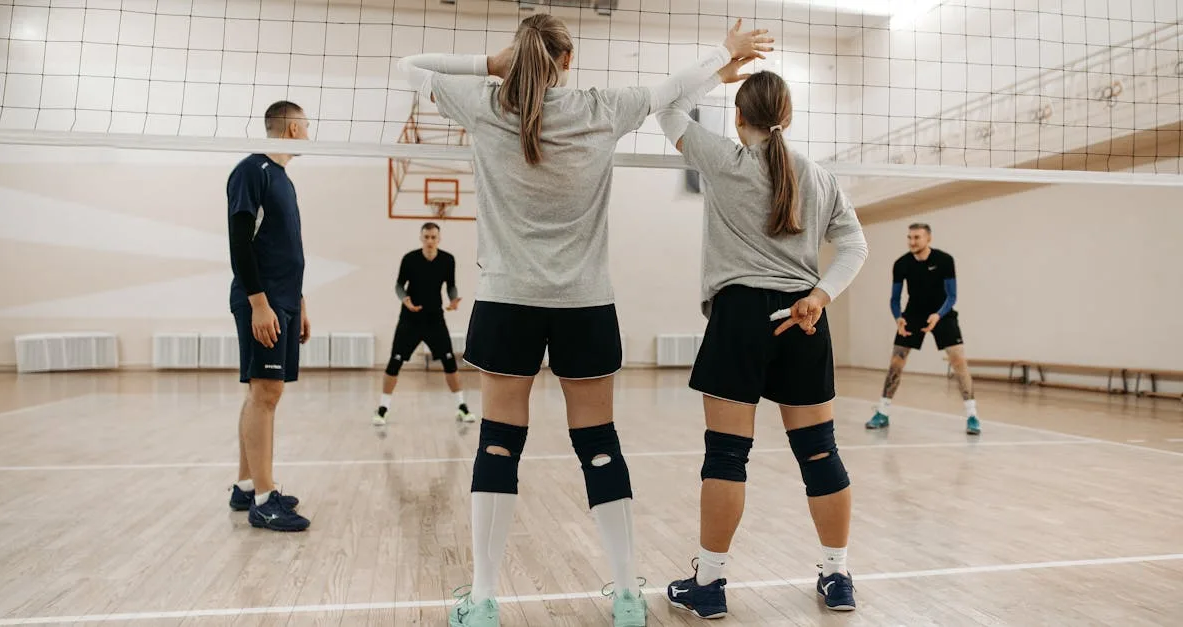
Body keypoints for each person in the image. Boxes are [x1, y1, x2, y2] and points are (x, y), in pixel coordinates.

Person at [398, 14, 772, 627]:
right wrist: (720, 57)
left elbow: (409, 69)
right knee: (599, 444)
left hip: (507, 300)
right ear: (569, 61)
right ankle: (627, 595)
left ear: (516, 60)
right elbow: (669, 91)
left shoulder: (486, 103)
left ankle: (485, 599)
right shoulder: (603, 107)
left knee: (498, 442)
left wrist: (490, 66)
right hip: (585, 304)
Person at [655, 67, 869, 617]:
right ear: (789, 117)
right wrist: (820, 296)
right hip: (803, 318)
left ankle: (709, 585)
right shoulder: (819, 176)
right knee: (821, 455)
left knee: (726, 457)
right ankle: (838, 575)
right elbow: (854, 246)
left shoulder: (725, 162)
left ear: (739, 116)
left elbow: (666, 107)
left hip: (740, 318)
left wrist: (717, 70)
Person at [225, 101, 312, 532]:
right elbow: (239, 242)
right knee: (266, 393)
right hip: (263, 301)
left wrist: (301, 301)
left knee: (259, 392)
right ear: (293, 128)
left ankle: (246, 486)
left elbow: (283, 246)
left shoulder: (284, 179)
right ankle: (264, 499)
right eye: (307, 125)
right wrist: (259, 302)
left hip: (284, 300)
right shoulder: (251, 170)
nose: (309, 132)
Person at [865, 223, 980, 435]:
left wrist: (938, 314)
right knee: (896, 363)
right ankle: (882, 412)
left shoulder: (945, 260)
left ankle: (972, 416)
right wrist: (898, 318)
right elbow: (894, 299)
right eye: (909, 237)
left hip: (942, 314)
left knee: (958, 361)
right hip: (913, 315)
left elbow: (952, 296)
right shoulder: (901, 264)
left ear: (929, 239)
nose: (912, 241)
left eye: (917, 237)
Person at [374, 222, 476, 426]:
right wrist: (405, 300)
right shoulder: (410, 259)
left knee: (449, 362)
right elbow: (399, 286)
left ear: (439, 239)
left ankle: (462, 407)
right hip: (409, 320)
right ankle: (383, 408)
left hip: (434, 319)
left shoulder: (448, 260)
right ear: (421, 238)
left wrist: (453, 300)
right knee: (395, 362)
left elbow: (451, 286)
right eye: (426, 237)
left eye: (433, 237)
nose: (430, 241)